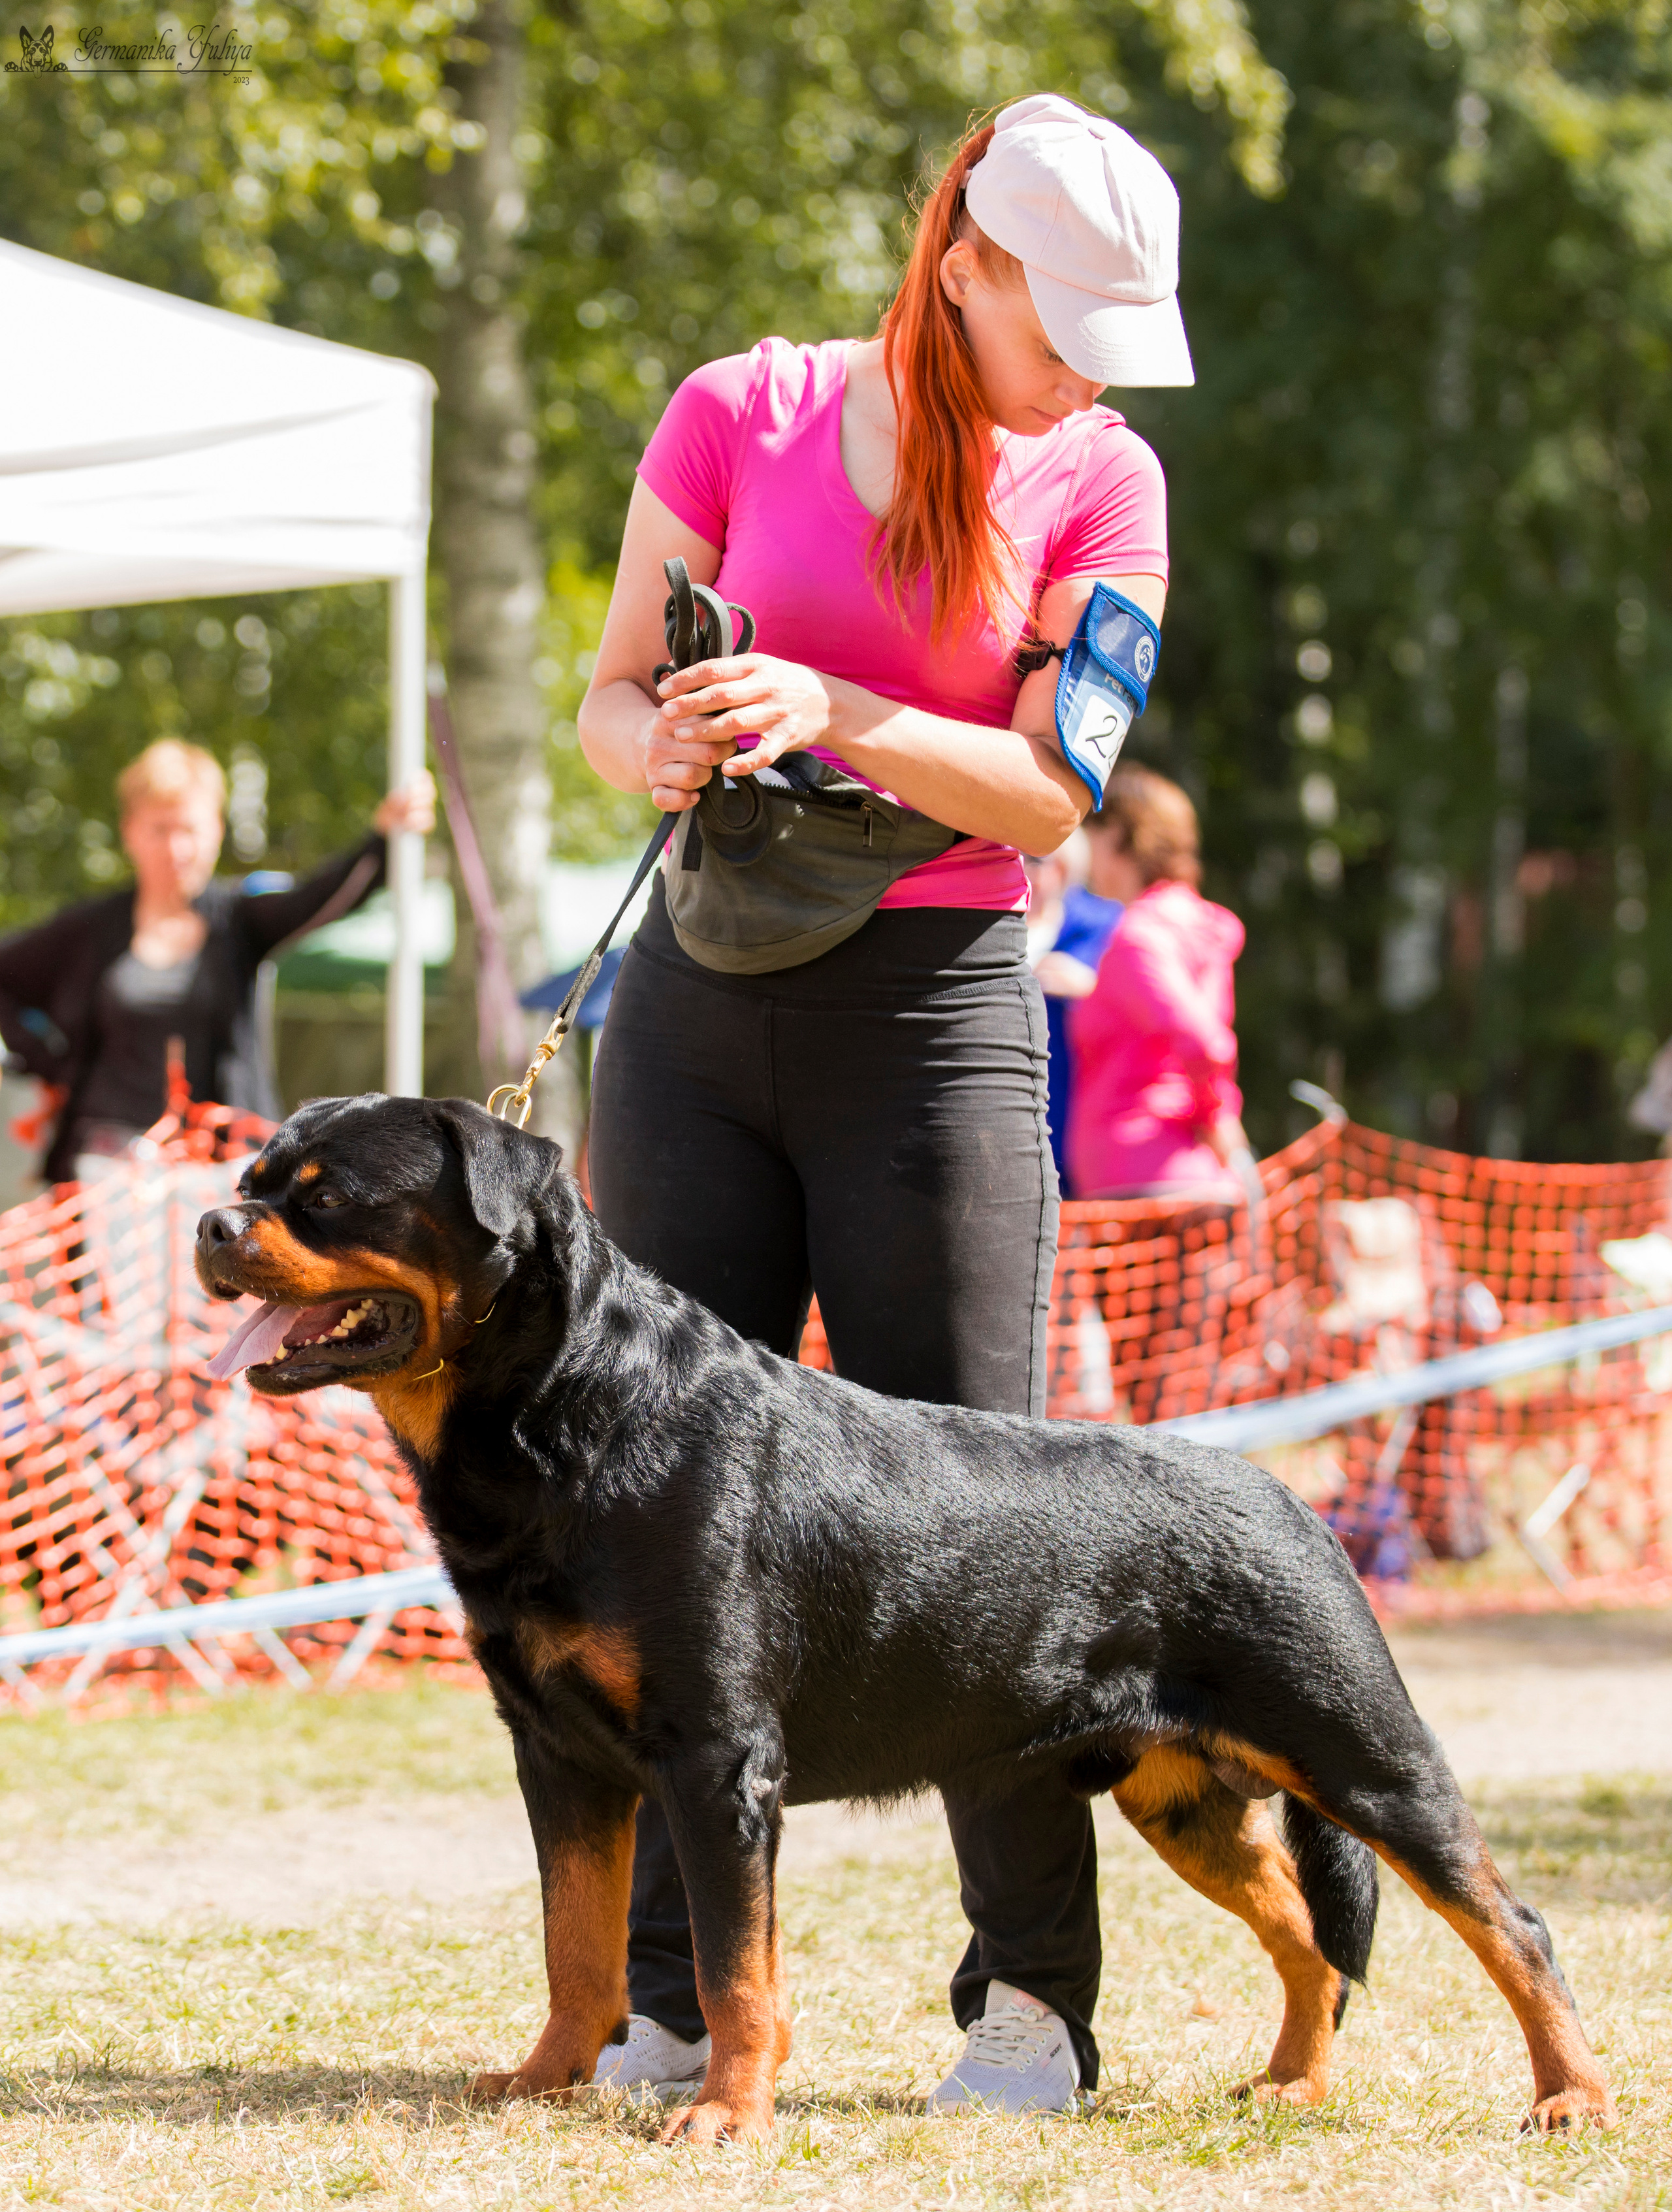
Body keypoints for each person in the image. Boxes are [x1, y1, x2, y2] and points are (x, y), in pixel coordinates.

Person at [576, 93, 1187, 2115]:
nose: (1087, 361)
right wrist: (662, 732)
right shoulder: (733, 410)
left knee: (980, 1517)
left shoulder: (1105, 478)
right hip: (688, 1005)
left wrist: (833, 708)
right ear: (966, 264)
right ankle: (670, 2006)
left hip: (937, 1014)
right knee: (650, 1510)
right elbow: (599, 704)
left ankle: (1028, 2004)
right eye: (1063, 315)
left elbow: (1043, 790)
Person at [0, 738, 434, 1182]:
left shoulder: (237, 922)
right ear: (130, 831)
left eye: (189, 830)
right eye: (160, 829)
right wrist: (48, 1062)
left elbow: (321, 898)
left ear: (216, 832)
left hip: (218, 1162)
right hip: (108, 1162)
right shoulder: (90, 931)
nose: (176, 849)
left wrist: (382, 840)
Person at [1060, 766, 1251, 1201]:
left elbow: (1204, 1041)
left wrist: (1218, 1118)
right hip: (1181, 1177)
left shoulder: (1140, 936)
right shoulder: (1196, 926)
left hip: (1144, 1184)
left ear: (1119, 838)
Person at [1027, 834, 1121, 1193]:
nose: (1021, 867)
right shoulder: (989, 925)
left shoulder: (1105, 925)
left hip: (1082, 1119)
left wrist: (1090, 987)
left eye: (1033, 857)